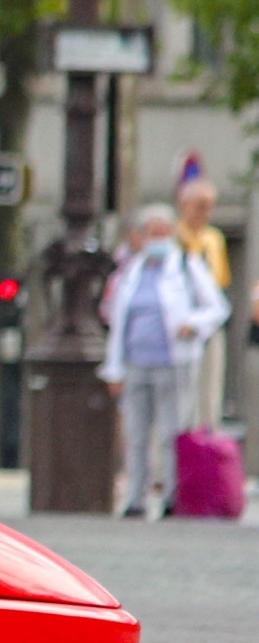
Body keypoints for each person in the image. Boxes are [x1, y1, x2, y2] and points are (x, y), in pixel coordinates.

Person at [100, 202, 227, 518]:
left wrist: (193, 323)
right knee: (136, 434)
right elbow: (118, 323)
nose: (157, 239)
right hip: (135, 363)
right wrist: (113, 368)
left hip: (174, 362)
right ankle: (136, 497)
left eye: (164, 232)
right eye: (152, 233)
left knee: (172, 433)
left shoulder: (187, 265)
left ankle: (172, 496)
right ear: (142, 237)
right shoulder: (131, 271)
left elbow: (218, 307)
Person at [176, 178, 231, 429]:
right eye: (200, 206)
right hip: (182, 324)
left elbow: (220, 281)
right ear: (184, 204)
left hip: (211, 320)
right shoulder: (175, 238)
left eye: (210, 207)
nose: (205, 213)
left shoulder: (214, 238)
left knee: (210, 391)